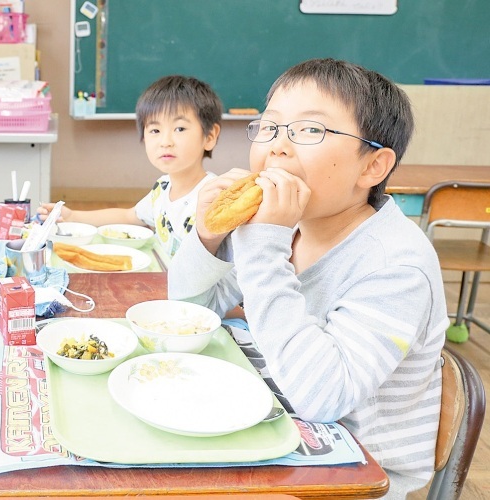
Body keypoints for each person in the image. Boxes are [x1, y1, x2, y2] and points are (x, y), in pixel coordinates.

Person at [168, 58, 447, 498]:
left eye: (311, 130)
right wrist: (206, 236)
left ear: (373, 167)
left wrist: (263, 246)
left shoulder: (397, 265)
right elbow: (188, 311)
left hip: (353, 475)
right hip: (273, 424)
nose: (277, 147)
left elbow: (323, 397)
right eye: (270, 127)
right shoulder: (287, 226)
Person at [38, 75, 223, 258]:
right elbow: (129, 216)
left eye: (180, 129)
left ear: (209, 136)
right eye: (155, 131)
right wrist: (72, 216)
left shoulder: (213, 196)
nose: (165, 142)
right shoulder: (163, 187)